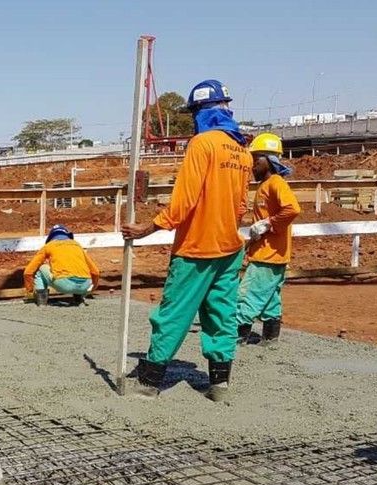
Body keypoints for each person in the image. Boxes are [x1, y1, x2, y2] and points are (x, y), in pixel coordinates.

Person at [121, 79, 252, 402]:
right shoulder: (241, 151)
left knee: (174, 314)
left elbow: (184, 201)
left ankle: (149, 383)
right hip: (229, 249)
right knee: (222, 315)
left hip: (196, 249)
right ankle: (219, 385)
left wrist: (148, 228)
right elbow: (241, 207)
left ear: (201, 111)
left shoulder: (202, 144)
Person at [237, 133, 301, 345]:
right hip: (272, 253)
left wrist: (268, 223)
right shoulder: (266, 185)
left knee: (246, 295)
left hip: (268, 254)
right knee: (270, 298)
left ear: (269, 160)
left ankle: (238, 335)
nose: (253, 166)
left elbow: (292, 209)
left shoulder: (276, 183)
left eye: (256, 161)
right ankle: (270, 336)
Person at [23, 224, 100, 306]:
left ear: (51, 238)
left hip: (64, 284)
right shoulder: (78, 246)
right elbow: (96, 272)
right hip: (85, 286)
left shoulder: (49, 246)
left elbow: (28, 272)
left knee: (41, 269)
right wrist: (91, 289)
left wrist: (30, 291)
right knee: (77, 270)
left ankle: (41, 302)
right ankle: (79, 300)